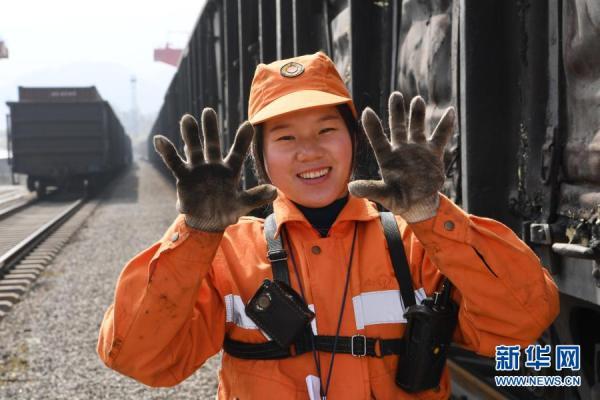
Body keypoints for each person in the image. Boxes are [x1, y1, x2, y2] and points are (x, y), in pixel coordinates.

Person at [98, 52, 559, 399]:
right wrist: (195, 233)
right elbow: (143, 358)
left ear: (354, 141)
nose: (309, 151)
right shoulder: (227, 257)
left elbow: (522, 322)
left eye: (326, 130)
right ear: (259, 160)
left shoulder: (414, 244)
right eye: (285, 137)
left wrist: (432, 215)